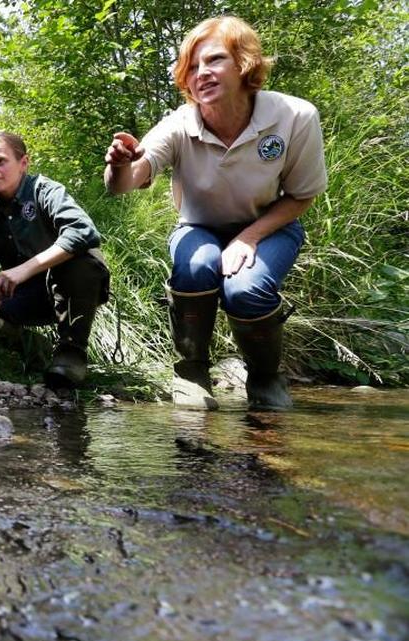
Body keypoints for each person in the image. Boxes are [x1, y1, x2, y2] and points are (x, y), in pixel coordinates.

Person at [104, 16, 327, 410]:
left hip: (271, 226)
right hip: (198, 227)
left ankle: (264, 378)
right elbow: (124, 183)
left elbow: (301, 195)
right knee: (198, 264)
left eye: (214, 60)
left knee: (246, 288)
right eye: (191, 66)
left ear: (244, 63)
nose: (200, 73)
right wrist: (121, 163)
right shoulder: (178, 125)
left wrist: (249, 237)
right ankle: (191, 371)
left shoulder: (295, 117)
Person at [0, 131, 110, 388]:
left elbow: (84, 232)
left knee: (80, 262)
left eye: (0, 161)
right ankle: (27, 347)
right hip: (24, 297)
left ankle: (70, 355)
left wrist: (22, 271)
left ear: (24, 163)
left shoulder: (46, 191)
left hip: (71, 289)